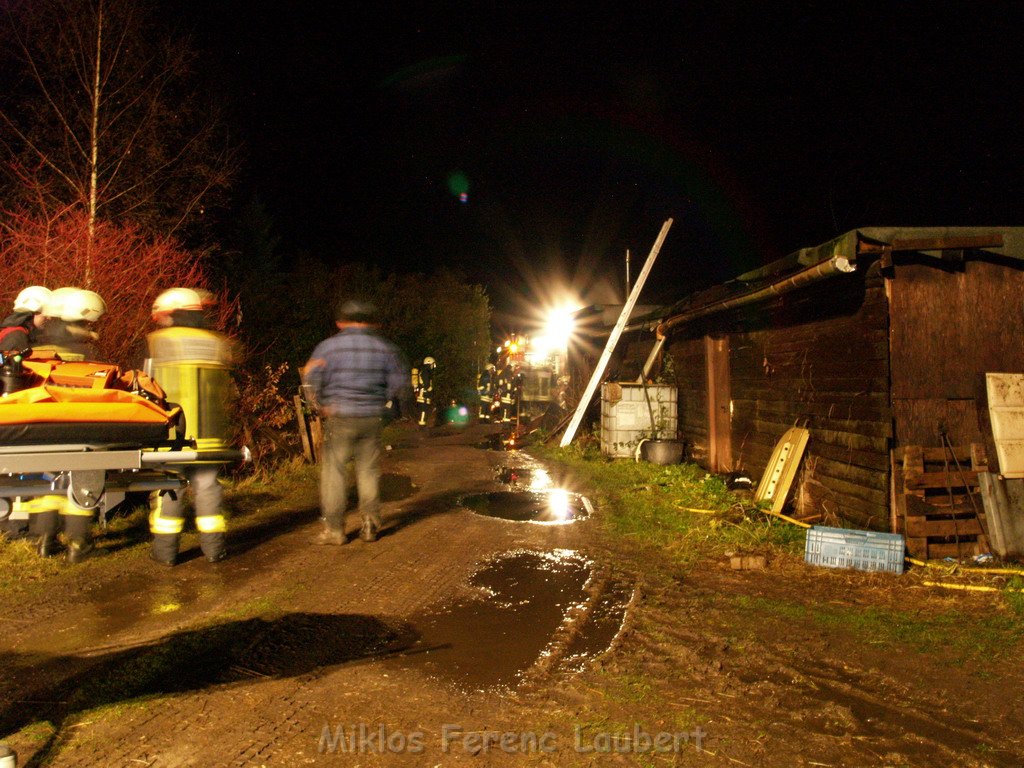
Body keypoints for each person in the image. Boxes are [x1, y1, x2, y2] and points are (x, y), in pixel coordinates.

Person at [302, 299, 411, 544]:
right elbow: (399, 383)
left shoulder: (328, 348)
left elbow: (310, 378)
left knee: (335, 473)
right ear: (372, 322)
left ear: (341, 322)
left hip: (340, 418)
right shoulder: (385, 349)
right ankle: (370, 525)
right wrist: (383, 402)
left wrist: (319, 405)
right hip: (371, 418)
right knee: (368, 471)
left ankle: (335, 530)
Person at [146, 287, 236, 565]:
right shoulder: (216, 342)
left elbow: (144, 383)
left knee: (169, 488)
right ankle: (214, 550)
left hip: (172, 432)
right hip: (210, 435)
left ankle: (165, 553)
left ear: (172, 314)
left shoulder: (157, 342)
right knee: (208, 488)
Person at [27, 288, 108, 562]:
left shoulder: (37, 346)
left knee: (49, 481)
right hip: (76, 424)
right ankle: (78, 543)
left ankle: (45, 540)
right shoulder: (80, 353)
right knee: (82, 478)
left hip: (40, 425)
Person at [0, 286, 51, 351]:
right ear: (31, 313)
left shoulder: (20, 333)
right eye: (46, 312)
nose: (49, 318)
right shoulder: (17, 337)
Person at [414, 356, 435, 426]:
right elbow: (426, 384)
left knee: (424, 411)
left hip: (423, 395)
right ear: (429, 364)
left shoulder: (424, 371)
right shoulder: (426, 372)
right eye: (432, 364)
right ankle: (422, 428)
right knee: (423, 411)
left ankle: (423, 426)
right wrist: (431, 391)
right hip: (424, 395)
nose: (433, 366)